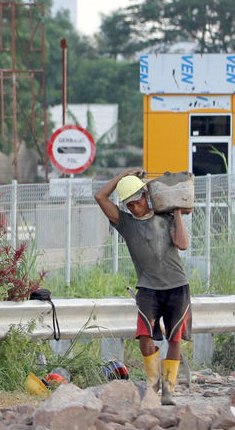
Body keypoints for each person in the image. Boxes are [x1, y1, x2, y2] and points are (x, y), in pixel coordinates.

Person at [94, 168, 191, 406]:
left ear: (145, 196)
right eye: (129, 205)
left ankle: (168, 390)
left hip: (177, 286)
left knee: (175, 339)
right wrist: (124, 175)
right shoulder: (125, 224)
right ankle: (152, 384)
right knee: (144, 337)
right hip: (147, 288)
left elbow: (183, 244)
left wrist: (177, 212)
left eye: (136, 202)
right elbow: (100, 197)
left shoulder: (165, 218)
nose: (133, 208)